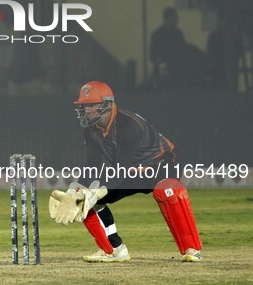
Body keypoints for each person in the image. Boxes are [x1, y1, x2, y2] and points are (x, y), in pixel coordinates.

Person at [49, 81, 203, 263]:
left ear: (106, 104)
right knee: (84, 202)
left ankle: (192, 249)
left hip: (161, 165)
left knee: (167, 190)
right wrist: (75, 191)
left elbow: (122, 169)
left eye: (91, 105)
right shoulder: (91, 130)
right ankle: (114, 249)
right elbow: (92, 165)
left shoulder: (129, 125)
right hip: (129, 170)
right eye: (84, 106)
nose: (87, 110)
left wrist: (97, 192)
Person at [149, 7, 186, 79]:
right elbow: (154, 55)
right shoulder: (157, 34)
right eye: (174, 17)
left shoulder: (178, 34)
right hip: (161, 71)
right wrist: (163, 67)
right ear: (167, 18)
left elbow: (183, 51)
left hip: (177, 71)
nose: (177, 19)